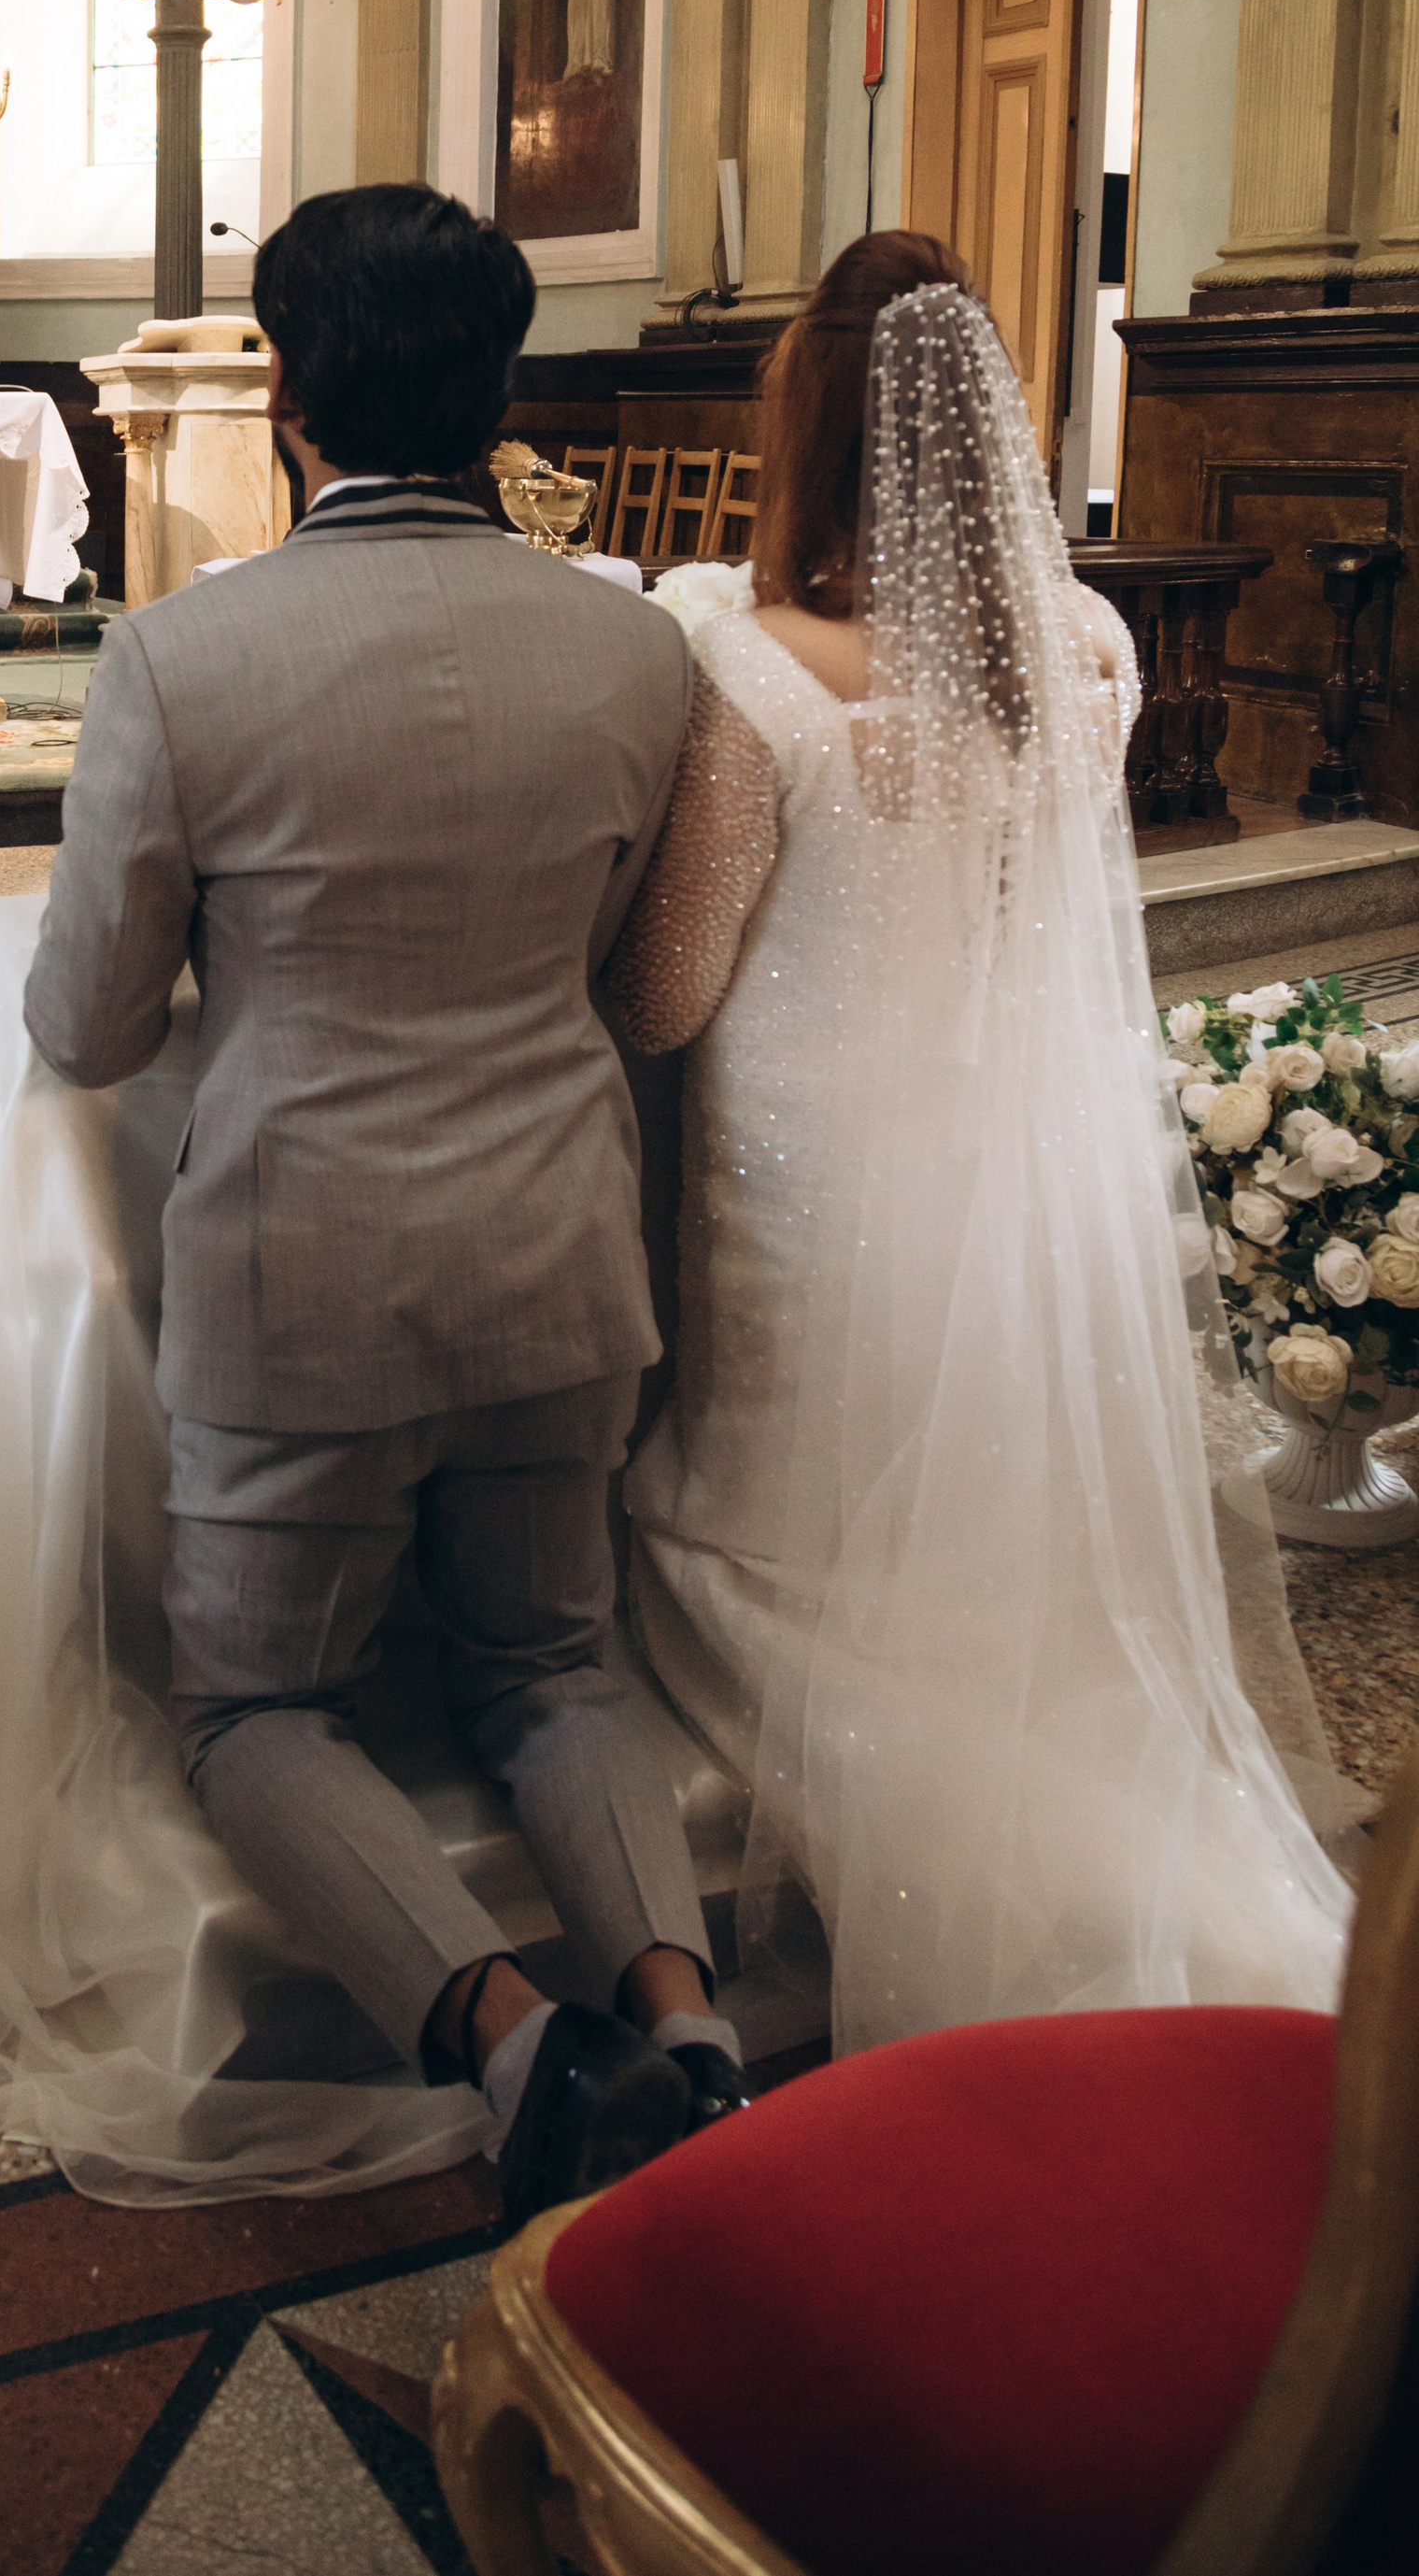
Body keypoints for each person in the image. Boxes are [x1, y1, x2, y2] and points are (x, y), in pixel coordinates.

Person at [19, 186, 747, 2223]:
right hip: (554, 1252)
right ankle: (688, 2020)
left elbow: (84, 1031)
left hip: (299, 1275)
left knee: (250, 1706)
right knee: (554, 1672)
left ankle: (515, 2044)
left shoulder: (180, 656)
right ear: (497, 386)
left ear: (285, 386)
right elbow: (619, 965)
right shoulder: (628, 650)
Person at [609, 233, 1352, 2049]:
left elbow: (666, 994)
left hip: (804, 1188)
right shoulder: (1086, 651)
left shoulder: (747, 668)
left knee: (737, 1552)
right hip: (1011, 1177)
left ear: (809, 433)